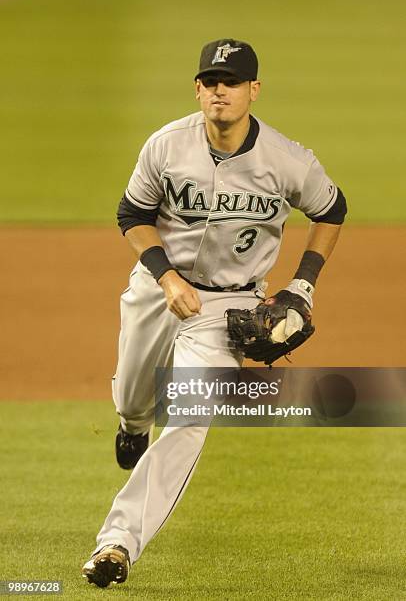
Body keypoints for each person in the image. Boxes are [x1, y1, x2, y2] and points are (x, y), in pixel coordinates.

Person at [82, 38, 347, 588]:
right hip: (158, 287)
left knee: (188, 420)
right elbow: (131, 213)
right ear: (198, 89)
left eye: (231, 81)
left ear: (254, 89)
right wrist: (167, 274)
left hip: (230, 304)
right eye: (210, 81)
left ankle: (117, 543)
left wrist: (303, 285)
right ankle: (131, 425)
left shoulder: (286, 159)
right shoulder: (165, 145)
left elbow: (331, 209)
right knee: (134, 396)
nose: (219, 90)